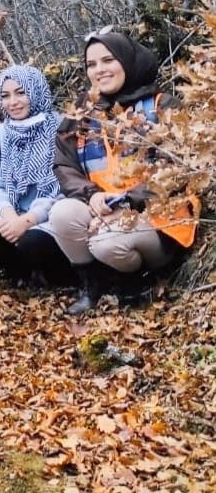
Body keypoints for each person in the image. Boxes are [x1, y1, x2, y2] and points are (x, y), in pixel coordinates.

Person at [48, 31, 198, 315]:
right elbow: (64, 165)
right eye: (91, 64)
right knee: (62, 214)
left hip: (159, 220)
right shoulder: (82, 114)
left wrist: (127, 203)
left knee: (106, 242)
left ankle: (138, 283)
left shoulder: (161, 105)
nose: (99, 70)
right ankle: (93, 287)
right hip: (104, 210)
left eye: (108, 60)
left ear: (128, 61)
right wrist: (91, 196)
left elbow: (177, 170)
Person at [0, 65, 73, 289]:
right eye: (5, 96)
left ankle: (57, 277)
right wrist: (9, 215)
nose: (13, 102)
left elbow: (65, 184)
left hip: (51, 212)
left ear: (35, 91)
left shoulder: (61, 128)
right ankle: (23, 275)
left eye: (21, 92)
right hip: (13, 210)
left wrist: (29, 219)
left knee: (32, 241)